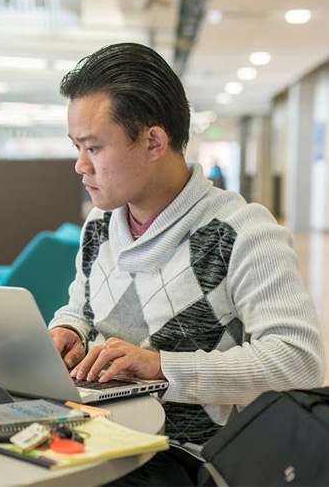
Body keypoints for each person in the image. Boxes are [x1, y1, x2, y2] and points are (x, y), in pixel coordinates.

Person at [47, 43, 325, 485]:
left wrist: (162, 367)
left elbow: (299, 363)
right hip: (94, 430)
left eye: (93, 147)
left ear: (154, 141)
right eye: (76, 146)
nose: (80, 165)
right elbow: (80, 309)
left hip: (188, 457)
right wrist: (68, 331)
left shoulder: (245, 233)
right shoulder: (99, 226)